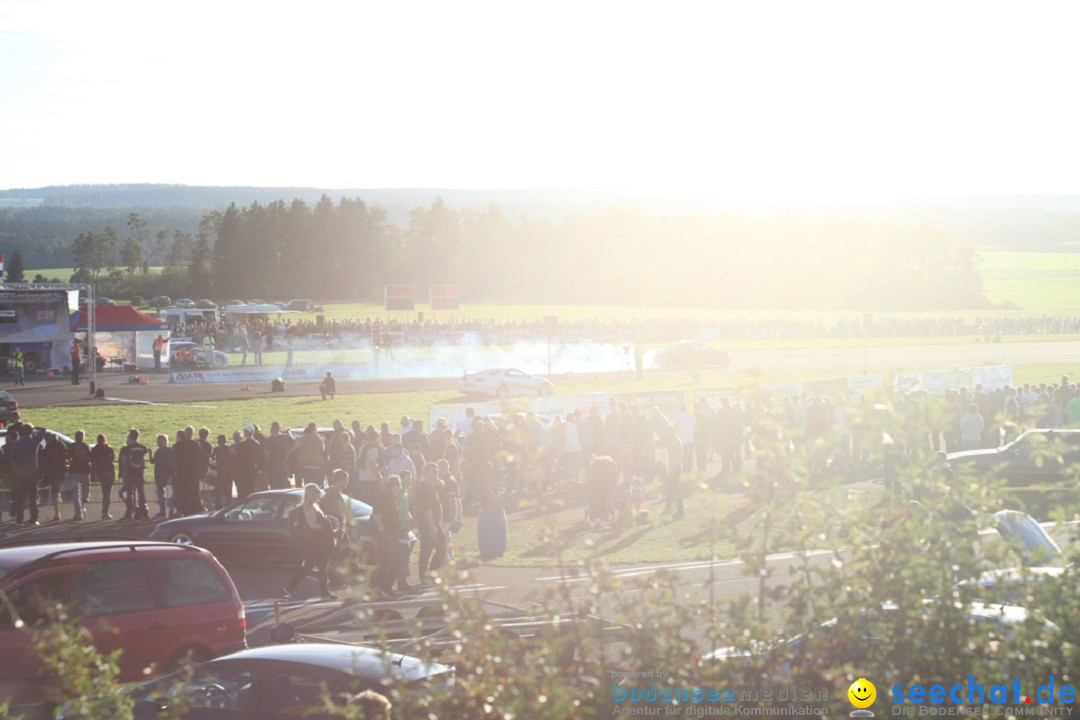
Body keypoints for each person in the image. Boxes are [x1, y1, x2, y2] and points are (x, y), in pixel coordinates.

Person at [284, 483, 338, 601]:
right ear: (312, 493)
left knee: (308, 566)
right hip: (313, 542)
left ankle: (290, 587)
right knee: (322, 565)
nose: (320, 493)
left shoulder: (315, 505)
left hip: (314, 541)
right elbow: (313, 525)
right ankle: (325, 593)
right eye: (317, 491)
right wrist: (328, 529)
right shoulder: (308, 507)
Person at [415, 462, 445, 583]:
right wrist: (432, 526)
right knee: (426, 550)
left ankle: (431, 574)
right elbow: (427, 509)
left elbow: (442, 484)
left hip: (434, 523)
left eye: (437, 472)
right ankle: (425, 576)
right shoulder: (425, 487)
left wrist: (437, 480)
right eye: (433, 472)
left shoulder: (430, 486)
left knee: (441, 546)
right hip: (429, 524)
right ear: (426, 472)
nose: (436, 474)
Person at [11, 425, 44, 525]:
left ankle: (19, 519)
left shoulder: (17, 443)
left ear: (22, 431)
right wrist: (35, 428)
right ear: (31, 431)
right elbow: (43, 430)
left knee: (20, 497)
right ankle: (34, 519)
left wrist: (16, 471)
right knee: (33, 498)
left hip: (20, 473)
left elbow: (13, 460)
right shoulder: (34, 441)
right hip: (33, 473)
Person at [118, 429, 150, 521]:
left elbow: (124, 461)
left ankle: (129, 514)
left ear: (130, 437)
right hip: (139, 473)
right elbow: (146, 450)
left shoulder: (126, 449)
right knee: (141, 494)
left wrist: (123, 472)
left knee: (129, 494)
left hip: (130, 473)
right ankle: (143, 514)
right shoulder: (142, 448)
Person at [173, 427, 204, 515]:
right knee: (194, 492)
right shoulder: (196, 444)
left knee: (184, 493)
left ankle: (184, 510)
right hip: (193, 472)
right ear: (192, 434)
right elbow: (200, 457)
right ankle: (196, 509)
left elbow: (175, 457)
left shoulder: (178, 445)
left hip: (182, 473)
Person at [40, 433, 68, 522]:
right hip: (61, 470)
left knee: (54, 491)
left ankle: (57, 512)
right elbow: (66, 456)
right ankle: (58, 496)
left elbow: (44, 459)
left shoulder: (48, 448)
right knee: (58, 487)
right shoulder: (62, 445)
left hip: (52, 470)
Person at [66, 430, 92, 522]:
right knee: (86, 485)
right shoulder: (86, 446)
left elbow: (68, 457)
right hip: (85, 470)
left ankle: (78, 513)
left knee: (75, 493)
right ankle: (86, 496)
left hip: (74, 470)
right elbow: (90, 458)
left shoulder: (72, 446)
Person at [150, 433, 175, 518]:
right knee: (175, 491)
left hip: (160, 474)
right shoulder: (171, 450)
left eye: (158, 441)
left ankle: (162, 511)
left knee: (161, 493)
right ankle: (173, 507)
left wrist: (150, 453)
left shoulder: (159, 451)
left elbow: (152, 461)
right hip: (169, 474)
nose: (157, 443)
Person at [234, 425, 262, 499]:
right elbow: (258, 457)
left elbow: (234, 455)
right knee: (251, 488)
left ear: (246, 433)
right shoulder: (256, 443)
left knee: (242, 490)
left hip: (242, 470)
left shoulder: (241, 445)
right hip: (252, 469)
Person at [92, 434, 116, 519]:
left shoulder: (94, 449)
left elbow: (93, 461)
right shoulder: (109, 448)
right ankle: (105, 511)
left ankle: (104, 511)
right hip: (109, 471)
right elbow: (112, 458)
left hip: (100, 472)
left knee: (104, 491)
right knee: (107, 492)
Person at [265, 421, 294, 489]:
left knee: (275, 486)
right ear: (279, 428)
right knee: (284, 484)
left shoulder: (269, 439)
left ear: (272, 428)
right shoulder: (286, 436)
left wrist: (266, 465)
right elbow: (298, 444)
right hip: (284, 464)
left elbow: (267, 454)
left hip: (273, 465)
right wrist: (288, 452)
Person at [212, 434, 235, 509]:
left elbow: (212, 459)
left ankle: (219, 507)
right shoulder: (229, 448)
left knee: (219, 492)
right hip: (229, 473)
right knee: (229, 492)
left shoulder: (216, 449)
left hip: (220, 473)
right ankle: (229, 507)